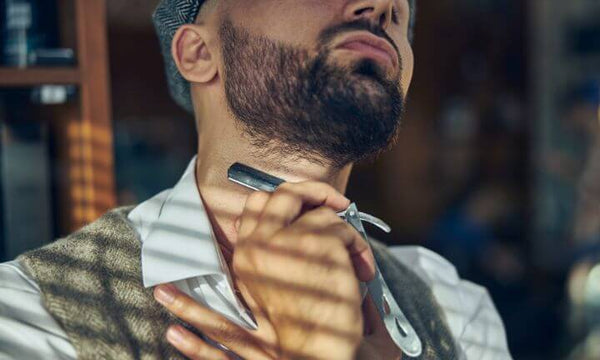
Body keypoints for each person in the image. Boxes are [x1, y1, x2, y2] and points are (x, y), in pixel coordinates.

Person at [0, 0, 512, 359]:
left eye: (402, 11)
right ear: (198, 53)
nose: (383, 7)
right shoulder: (31, 312)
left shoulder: (453, 305)